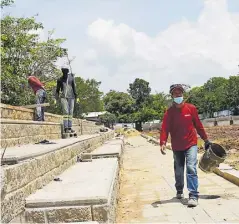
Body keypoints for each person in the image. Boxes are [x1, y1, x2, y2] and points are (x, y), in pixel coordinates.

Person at [159, 84, 211, 207]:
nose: (178, 95)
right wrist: (163, 142)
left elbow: (198, 125)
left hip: (191, 143)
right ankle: (179, 189)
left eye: (180, 92)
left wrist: (206, 139)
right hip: (177, 146)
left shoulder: (191, 108)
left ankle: (193, 195)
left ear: (183, 94)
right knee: (178, 170)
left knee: (191, 167)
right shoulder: (169, 112)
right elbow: (165, 129)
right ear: (172, 95)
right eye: (175, 93)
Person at [55, 67, 77, 133]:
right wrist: (56, 98)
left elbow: (74, 87)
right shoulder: (60, 79)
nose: (65, 73)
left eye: (66, 72)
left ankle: (70, 127)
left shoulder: (71, 78)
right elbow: (57, 89)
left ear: (67, 72)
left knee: (70, 112)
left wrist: (76, 96)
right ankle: (66, 127)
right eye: (63, 72)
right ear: (62, 72)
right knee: (66, 112)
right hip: (63, 97)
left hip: (71, 97)